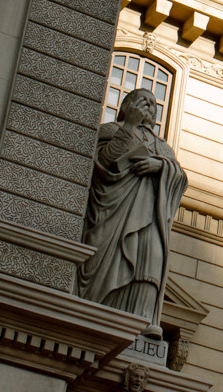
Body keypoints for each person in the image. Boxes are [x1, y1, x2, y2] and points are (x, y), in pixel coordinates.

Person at [80, 88, 188, 334]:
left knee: (151, 259)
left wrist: (160, 166)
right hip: (114, 212)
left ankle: (142, 322)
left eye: (153, 103)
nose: (149, 105)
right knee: (111, 259)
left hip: (151, 217)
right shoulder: (110, 130)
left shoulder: (163, 148)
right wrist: (129, 126)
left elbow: (180, 178)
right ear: (126, 106)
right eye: (142, 101)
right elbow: (102, 163)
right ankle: (98, 310)